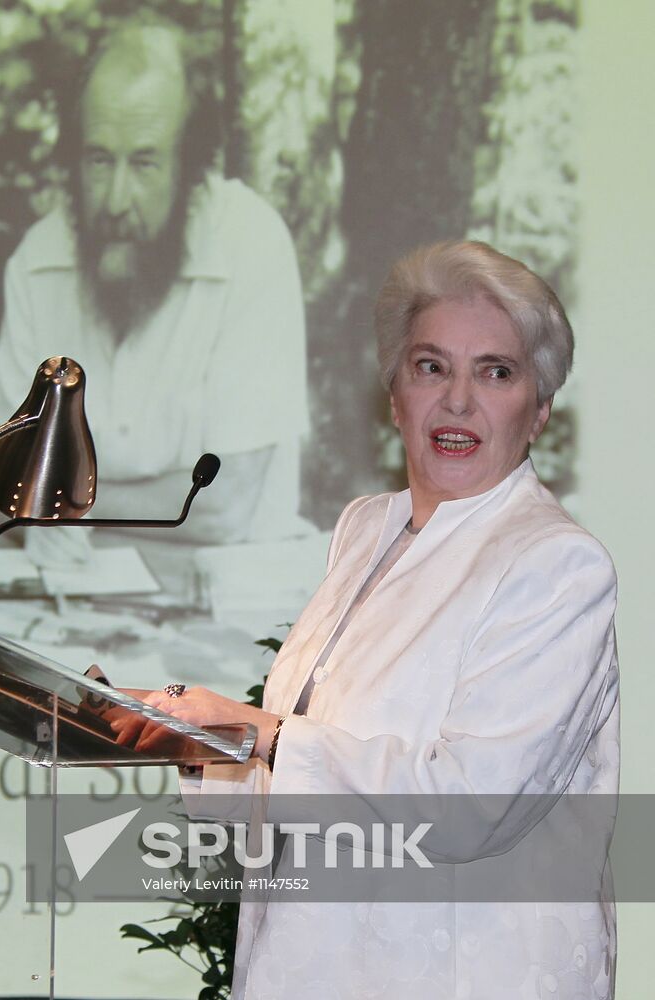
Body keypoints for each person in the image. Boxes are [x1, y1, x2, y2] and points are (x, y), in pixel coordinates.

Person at [122, 240, 620, 999]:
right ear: (394, 396)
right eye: (430, 367)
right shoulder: (365, 531)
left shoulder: (554, 563)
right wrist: (197, 744)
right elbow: (296, 802)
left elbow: (469, 809)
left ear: (540, 410)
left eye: (495, 371)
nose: (457, 400)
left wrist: (262, 732)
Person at [0, 21, 309, 554]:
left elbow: (221, 506)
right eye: (100, 160)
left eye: (145, 163)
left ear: (190, 168)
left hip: (222, 606)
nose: (117, 199)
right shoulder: (37, 261)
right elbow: (16, 483)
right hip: (64, 596)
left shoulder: (251, 245)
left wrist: (67, 506)